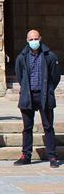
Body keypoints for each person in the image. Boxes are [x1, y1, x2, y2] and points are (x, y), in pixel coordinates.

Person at [13, 29, 61, 168]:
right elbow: (19, 75)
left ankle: (52, 156)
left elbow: (55, 76)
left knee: (48, 127)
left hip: (44, 95)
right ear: (27, 40)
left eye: (36, 39)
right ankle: (26, 155)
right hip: (28, 95)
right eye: (31, 39)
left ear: (40, 38)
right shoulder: (22, 57)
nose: (34, 41)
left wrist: (49, 89)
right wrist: (26, 89)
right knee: (27, 127)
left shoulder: (49, 56)